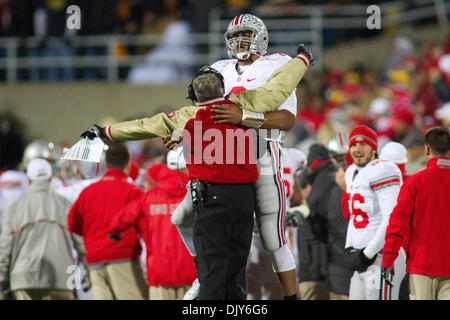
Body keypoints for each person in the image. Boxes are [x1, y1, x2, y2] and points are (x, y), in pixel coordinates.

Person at [80, 42, 313, 299]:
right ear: (224, 90)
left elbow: (147, 124)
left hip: (210, 198)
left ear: (193, 94)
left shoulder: (189, 116)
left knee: (204, 256)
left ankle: (201, 275)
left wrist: (107, 132)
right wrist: (303, 58)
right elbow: (279, 89)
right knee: (244, 262)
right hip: (245, 196)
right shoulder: (240, 104)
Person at [107, 147, 197, 300]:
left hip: (160, 275)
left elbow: (125, 215)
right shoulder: (196, 194)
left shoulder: (150, 197)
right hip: (192, 275)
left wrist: (114, 231)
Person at [67, 144, 148, 300]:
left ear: (107, 164)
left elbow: (72, 224)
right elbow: (145, 226)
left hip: (94, 261)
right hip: (123, 258)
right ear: (128, 164)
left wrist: (92, 237)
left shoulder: (88, 192)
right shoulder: (134, 191)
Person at [382, 126, 450, 300]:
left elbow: (398, 222)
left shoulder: (415, 182)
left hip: (421, 266)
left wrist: (389, 258)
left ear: (427, 149)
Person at [0, 159, 83, 300]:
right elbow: (81, 242)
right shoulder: (66, 205)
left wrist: (2, 281)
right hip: (63, 278)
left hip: (24, 278)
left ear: (29, 179)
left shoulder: (16, 208)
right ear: (50, 178)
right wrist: (90, 270)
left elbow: (5, 247)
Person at [343, 125, 406, 300]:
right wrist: (349, 248)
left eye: (363, 144)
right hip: (362, 258)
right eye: (354, 145)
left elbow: (391, 218)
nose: (357, 149)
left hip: (381, 257)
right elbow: (354, 217)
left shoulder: (383, 169)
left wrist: (367, 254)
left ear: (374, 148)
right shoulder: (352, 172)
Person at [302, 143, 353, 300]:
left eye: (345, 158)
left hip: (330, 266)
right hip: (342, 265)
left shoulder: (323, 187)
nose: (343, 163)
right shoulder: (336, 185)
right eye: (339, 158)